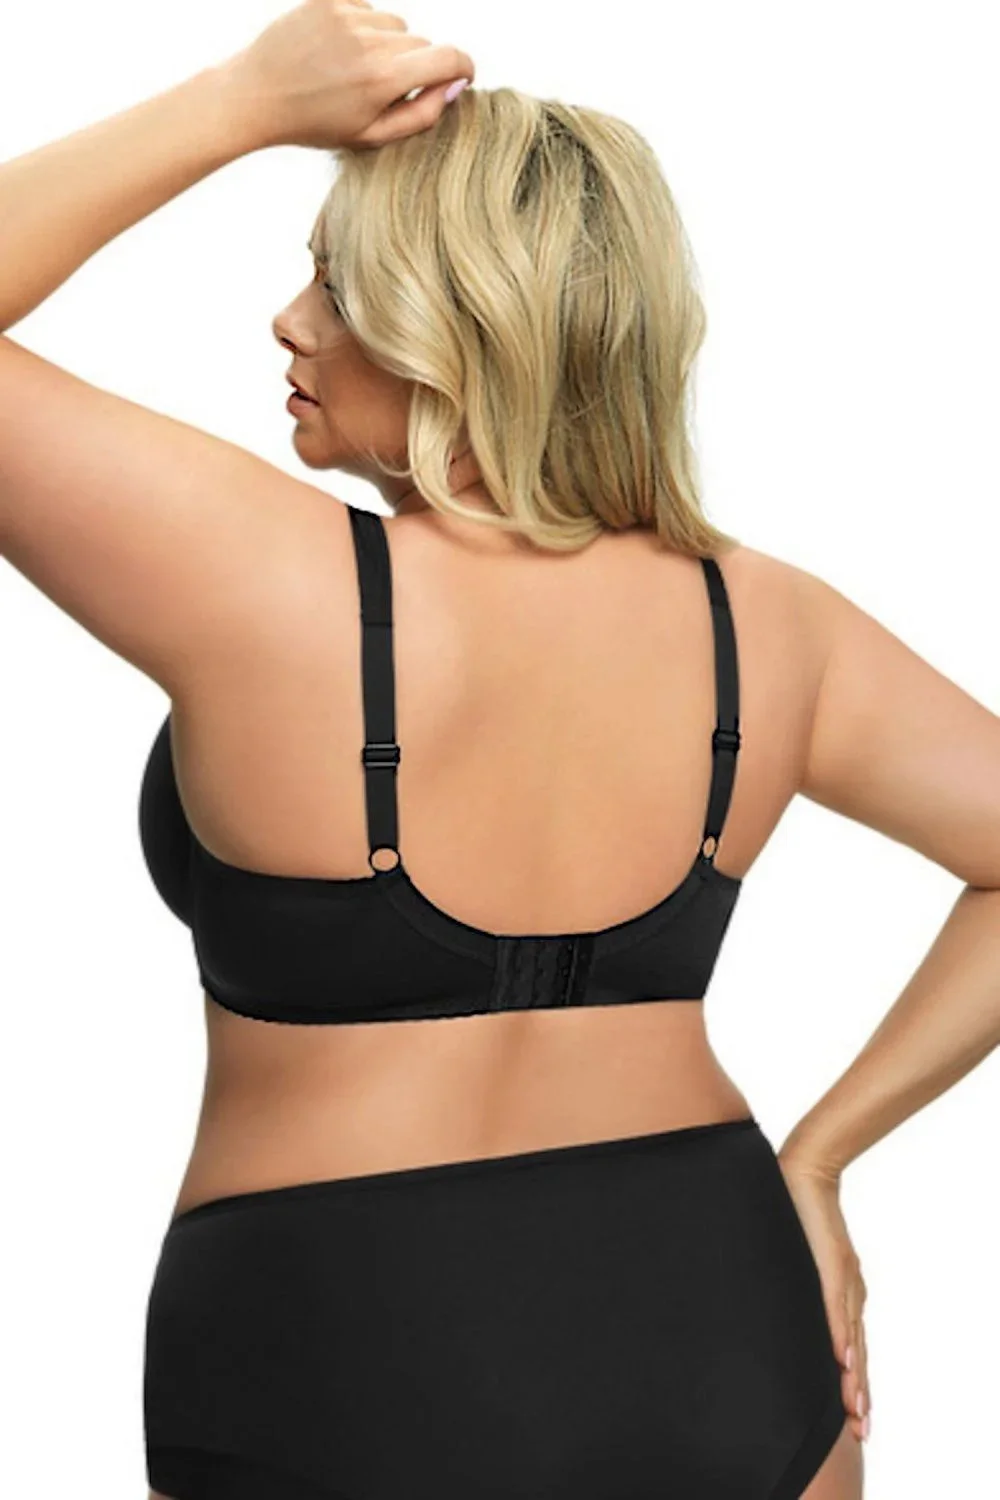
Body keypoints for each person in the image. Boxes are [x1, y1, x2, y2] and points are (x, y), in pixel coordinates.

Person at [1, 4, 998, 1498]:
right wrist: (820, 1157)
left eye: (340, 285)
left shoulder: (266, 581)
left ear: (460, 328)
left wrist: (239, 102)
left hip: (342, 1357)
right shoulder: (770, 623)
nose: (291, 323)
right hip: (727, 1324)